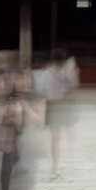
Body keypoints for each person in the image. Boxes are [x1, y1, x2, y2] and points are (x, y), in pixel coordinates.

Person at [33, 50, 79, 180]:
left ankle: (55, 167)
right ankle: (72, 161)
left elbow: (41, 91)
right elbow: (74, 87)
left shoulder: (46, 73)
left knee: (55, 139)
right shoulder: (68, 72)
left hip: (53, 106)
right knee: (70, 134)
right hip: (66, 106)